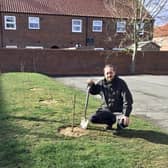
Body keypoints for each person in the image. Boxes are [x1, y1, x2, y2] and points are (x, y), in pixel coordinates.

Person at [87, 64, 133, 130]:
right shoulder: (101, 83)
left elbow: (128, 100)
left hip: (118, 112)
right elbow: (93, 91)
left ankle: (119, 123)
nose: (109, 75)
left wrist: (126, 115)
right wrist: (91, 85)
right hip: (106, 110)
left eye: (111, 73)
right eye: (107, 73)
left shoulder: (121, 83)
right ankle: (110, 122)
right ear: (104, 74)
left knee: (124, 123)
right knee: (93, 118)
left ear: (114, 73)